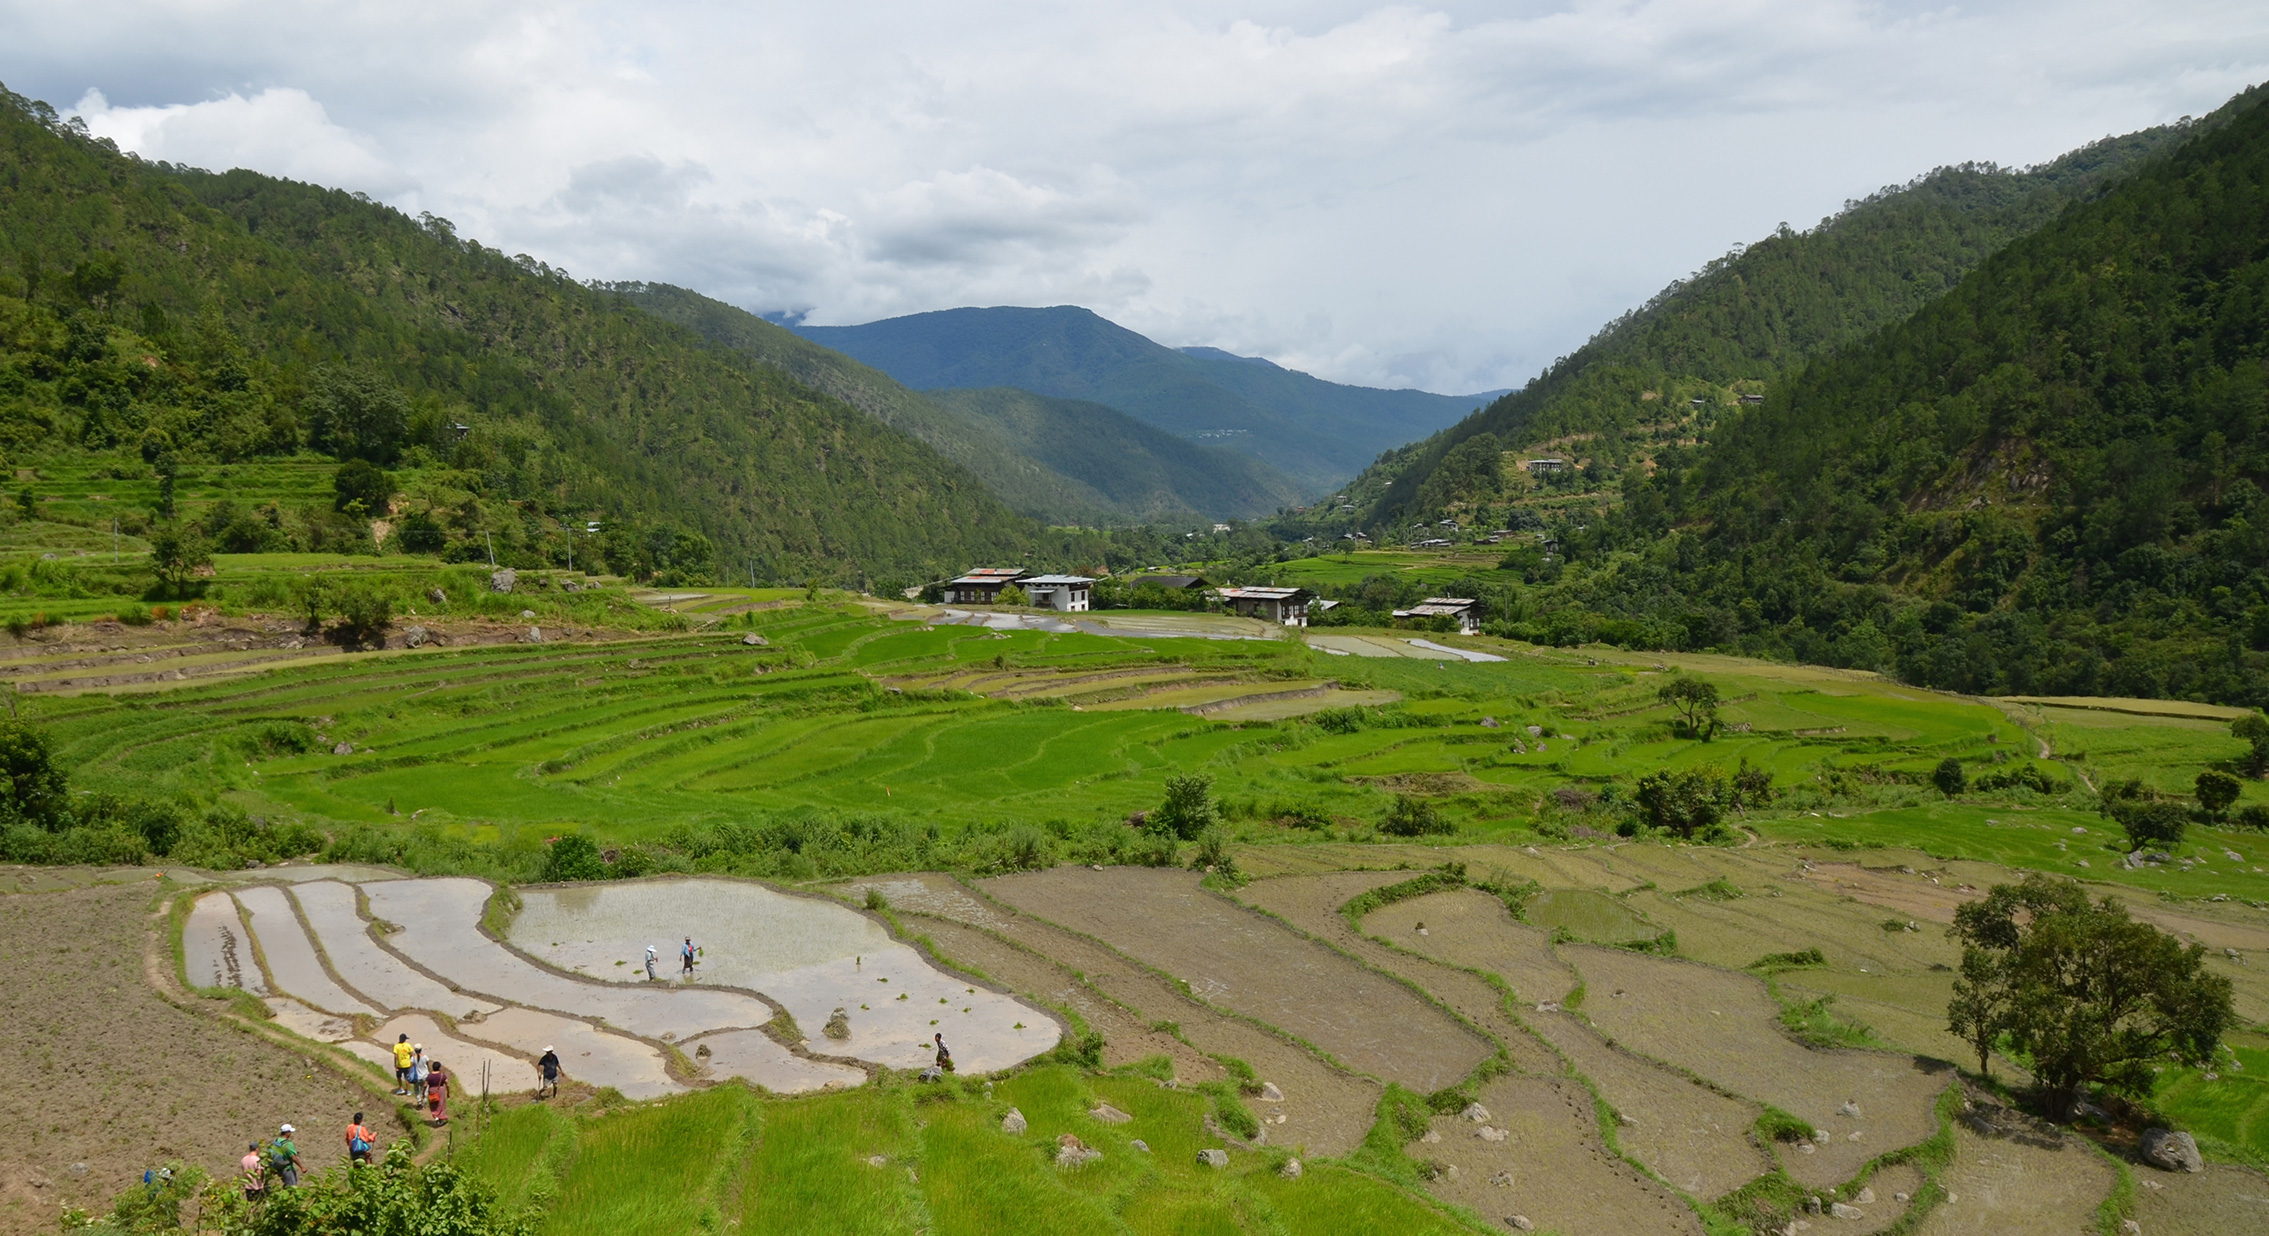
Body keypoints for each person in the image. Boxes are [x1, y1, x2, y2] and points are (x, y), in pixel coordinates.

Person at [268, 1124, 301, 1188]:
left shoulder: (275, 1141)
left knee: (286, 1184)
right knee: (292, 1186)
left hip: (276, 1167)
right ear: (288, 1133)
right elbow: (294, 1158)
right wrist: (302, 1167)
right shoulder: (288, 1144)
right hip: (286, 1168)